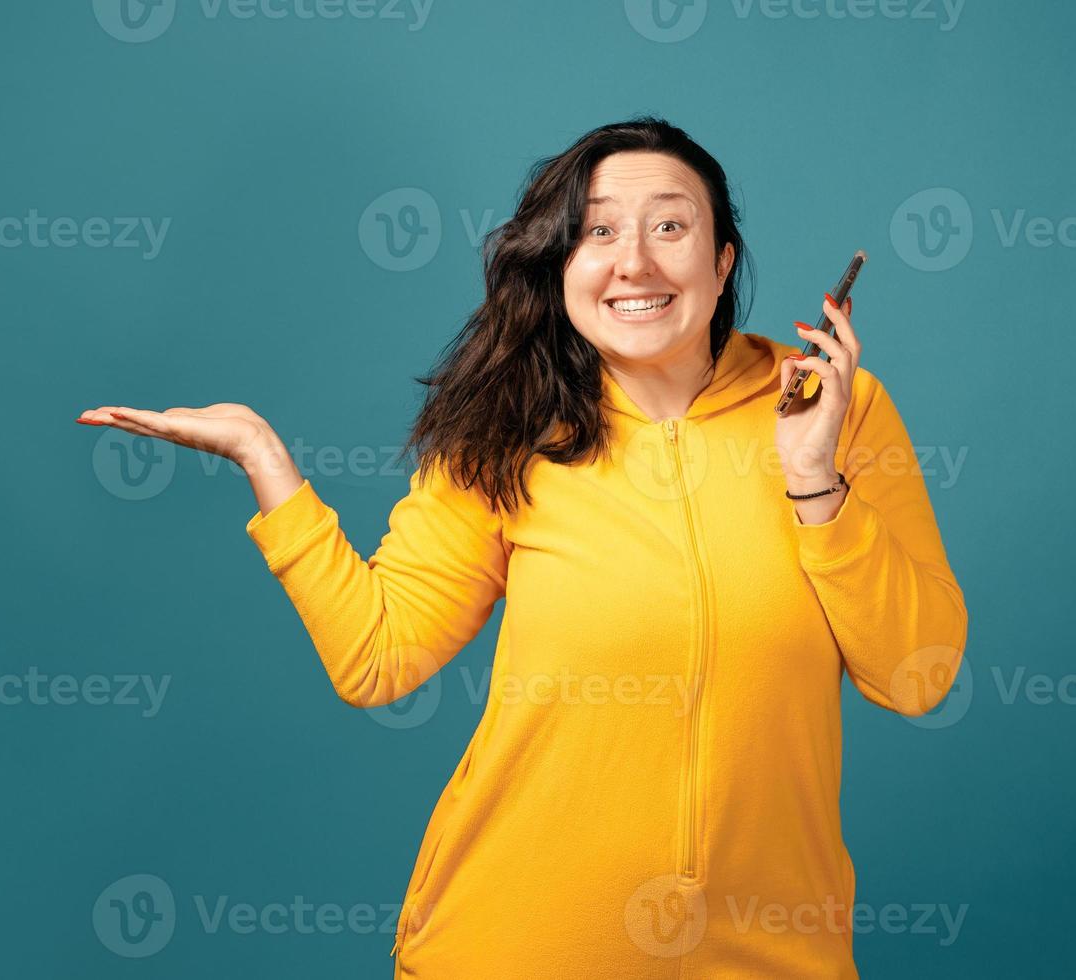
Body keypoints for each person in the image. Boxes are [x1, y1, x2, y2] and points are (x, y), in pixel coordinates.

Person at [77, 116, 968, 979]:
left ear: (722, 257)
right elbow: (377, 657)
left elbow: (917, 676)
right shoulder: (506, 431)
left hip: (773, 954)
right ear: (561, 265)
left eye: (670, 226)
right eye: (598, 233)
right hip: (522, 946)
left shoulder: (832, 410)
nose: (634, 262)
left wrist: (816, 483)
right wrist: (265, 463)